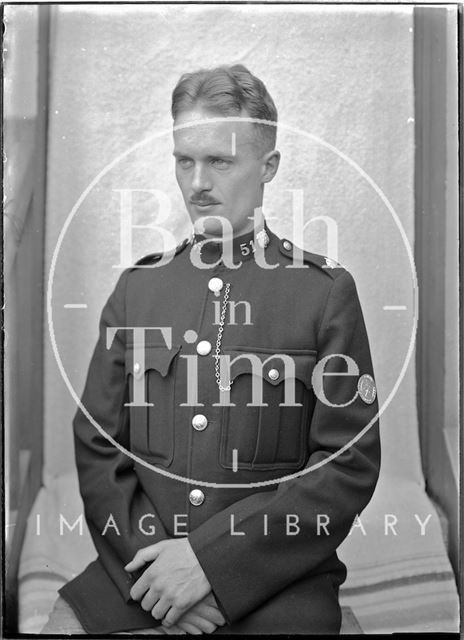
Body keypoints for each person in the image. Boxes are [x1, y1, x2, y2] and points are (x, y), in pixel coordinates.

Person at [41, 64, 380, 635]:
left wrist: (213, 567)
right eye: (184, 160)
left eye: (220, 161)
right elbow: (98, 447)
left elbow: (346, 465)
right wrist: (159, 572)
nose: (198, 182)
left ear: (268, 166)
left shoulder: (323, 295)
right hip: (139, 565)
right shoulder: (138, 290)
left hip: (276, 573)